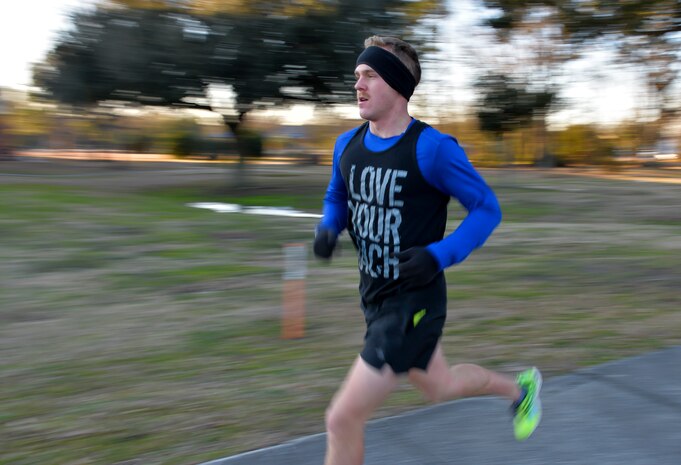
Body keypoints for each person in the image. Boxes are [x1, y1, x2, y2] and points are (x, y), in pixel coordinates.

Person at [312, 35, 542, 465]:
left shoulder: (432, 149)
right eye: (357, 75)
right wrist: (329, 227)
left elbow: (486, 209)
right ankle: (519, 390)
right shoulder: (347, 144)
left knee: (341, 419)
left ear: (398, 85)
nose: (357, 84)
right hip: (375, 298)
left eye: (370, 75)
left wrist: (439, 254)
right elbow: (337, 197)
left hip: (414, 303)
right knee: (441, 387)